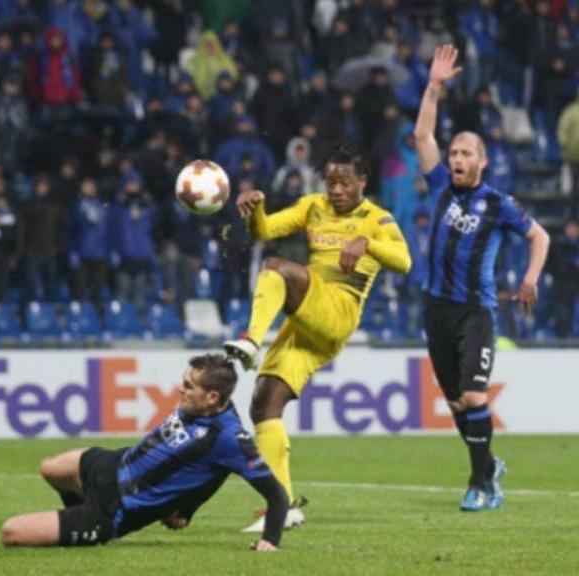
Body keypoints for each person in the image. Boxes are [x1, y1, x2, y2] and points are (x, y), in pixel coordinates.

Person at [223, 145, 412, 533]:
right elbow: (264, 231)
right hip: (307, 319)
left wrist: (367, 243)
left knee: (276, 268)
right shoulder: (313, 206)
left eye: (345, 182)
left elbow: (404, 262)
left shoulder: (377, 219)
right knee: (264, 404)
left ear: (363, 181)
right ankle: (283, 506)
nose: (337, 190)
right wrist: (255, 209)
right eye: (331, 182)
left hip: (339, 311)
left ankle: (251, 340)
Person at [413, 45, 550, 511]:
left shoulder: (498, 203)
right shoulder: (439, 186)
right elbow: (422, 134)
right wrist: (434, 87)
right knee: (456, 404)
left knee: (474, 395)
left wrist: (530, 278)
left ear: (482, 161)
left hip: (476, 311)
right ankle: (489, 466)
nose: (456, 157)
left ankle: (481, 485)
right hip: (437, 309)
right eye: (453, 152)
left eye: (465, 153)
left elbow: (540, 236)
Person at [0, 354, 288, 552]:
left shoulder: (230, 438)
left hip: (116, 507)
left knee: (11, 532)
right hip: (113, 463)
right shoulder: (205, 405)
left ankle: (88, 526)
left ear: (211, 397)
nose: (180, 389)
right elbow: (213, 470)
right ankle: (76, 518)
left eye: (188, 386)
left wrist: (270, 541)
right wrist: (188, 510)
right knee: (50, 468)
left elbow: (276, 495)